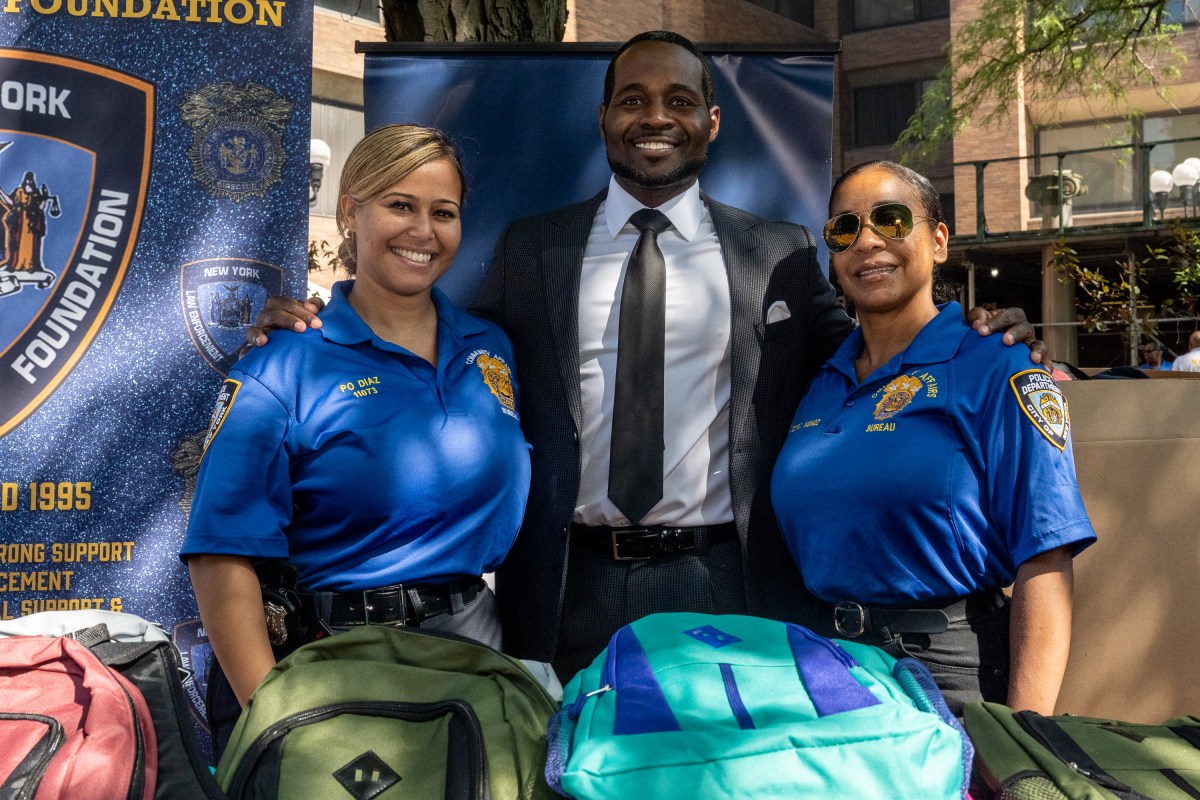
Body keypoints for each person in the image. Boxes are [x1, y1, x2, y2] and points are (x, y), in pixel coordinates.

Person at [249, 32, 1042, 682]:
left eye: (678, 101)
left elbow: (873, 354)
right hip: (567, 586)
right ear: (602, 120)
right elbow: (433, 339)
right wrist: (320, 317)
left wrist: (977, 331)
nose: (654, 116)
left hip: (731, 581)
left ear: (713, 122)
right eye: (633, 99)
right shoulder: (535, 249)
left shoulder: (782, 255)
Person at [182, 125, 530, 734]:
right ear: (350, 212)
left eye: (442, 212)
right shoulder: (283, 362)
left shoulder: (491, 348)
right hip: (335, 667)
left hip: (476, 661)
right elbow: (220, 555)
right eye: (400, 205)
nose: (423, 231)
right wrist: (275, 720)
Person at [771, 160, 1096, 716]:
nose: (868, 241)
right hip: (823, 672)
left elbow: (1045, 559)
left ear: (940, 240)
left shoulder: (997, 364)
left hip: (946, 676)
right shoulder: (821, 380)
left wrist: (1022, 737)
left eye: (892, 220)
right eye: (844, 230)